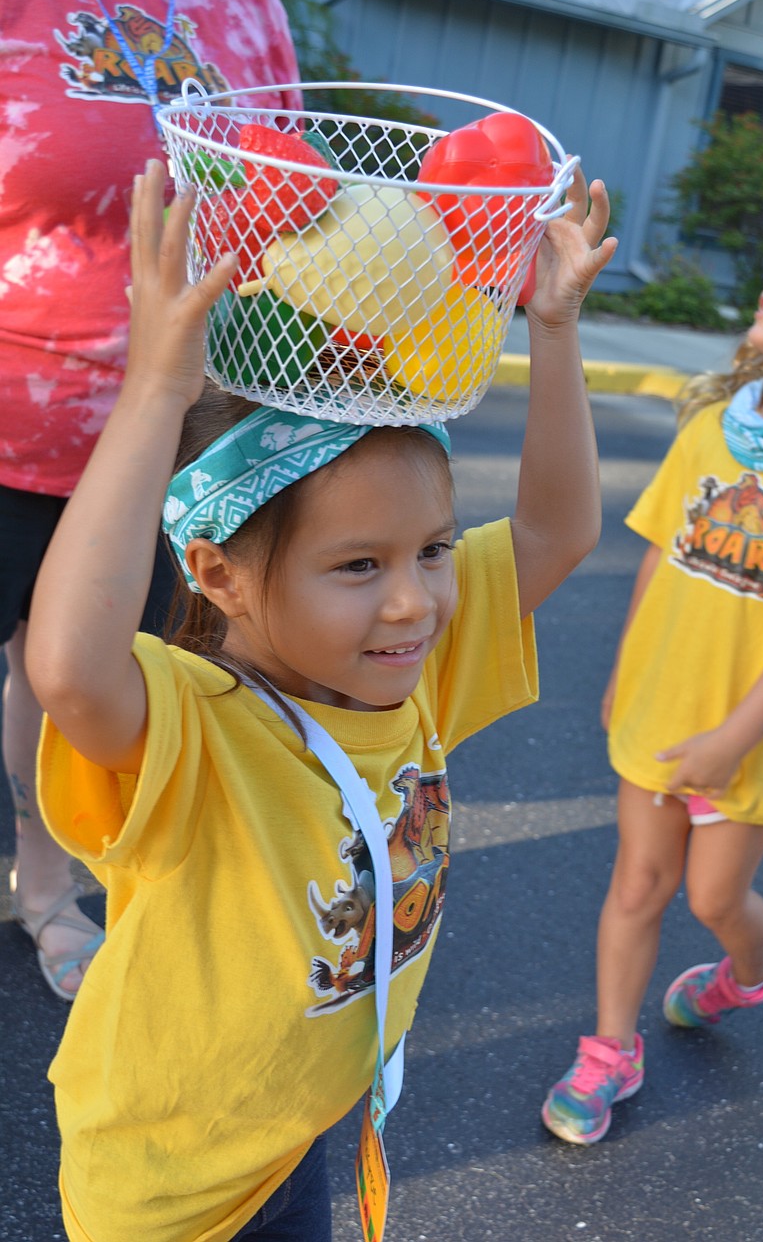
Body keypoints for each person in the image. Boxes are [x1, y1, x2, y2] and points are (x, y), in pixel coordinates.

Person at [24, 159, 615, 1238]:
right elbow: (65, 667)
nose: (413, 602)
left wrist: (556, 331)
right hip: (168, 1194)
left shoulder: (407, 665)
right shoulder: (192, 724)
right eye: (357, 567)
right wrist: (157, 388)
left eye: (432, 550)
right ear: (217, 575)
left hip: (293, 1143)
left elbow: (554, 533)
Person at [1, 0, 301, 999]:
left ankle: (50, 885)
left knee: (85, 679)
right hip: (8, 419)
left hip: (174, 442)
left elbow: (287, 203)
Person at [541, 210, 763, 1146]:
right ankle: (609, 1050)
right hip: (659, 714)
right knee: (637, 884)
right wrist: (627, 669)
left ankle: (750, 966)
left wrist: (730, 741)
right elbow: (656, 556)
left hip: (748, 741)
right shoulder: (712, 425)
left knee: (715, 900)